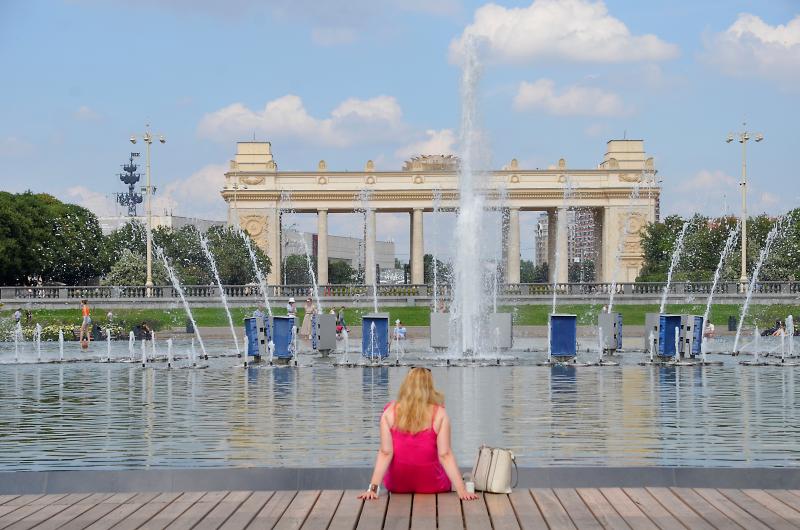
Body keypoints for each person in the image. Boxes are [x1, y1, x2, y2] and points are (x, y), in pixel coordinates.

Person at [358, 367, 478, 501]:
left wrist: (373, 489)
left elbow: (385, 453)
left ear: (406, 384)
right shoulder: (439, 414)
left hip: (397, 485)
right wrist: (461, 490)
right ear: (429, 386)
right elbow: (445, 454)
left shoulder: (389, 412)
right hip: (433, 485)